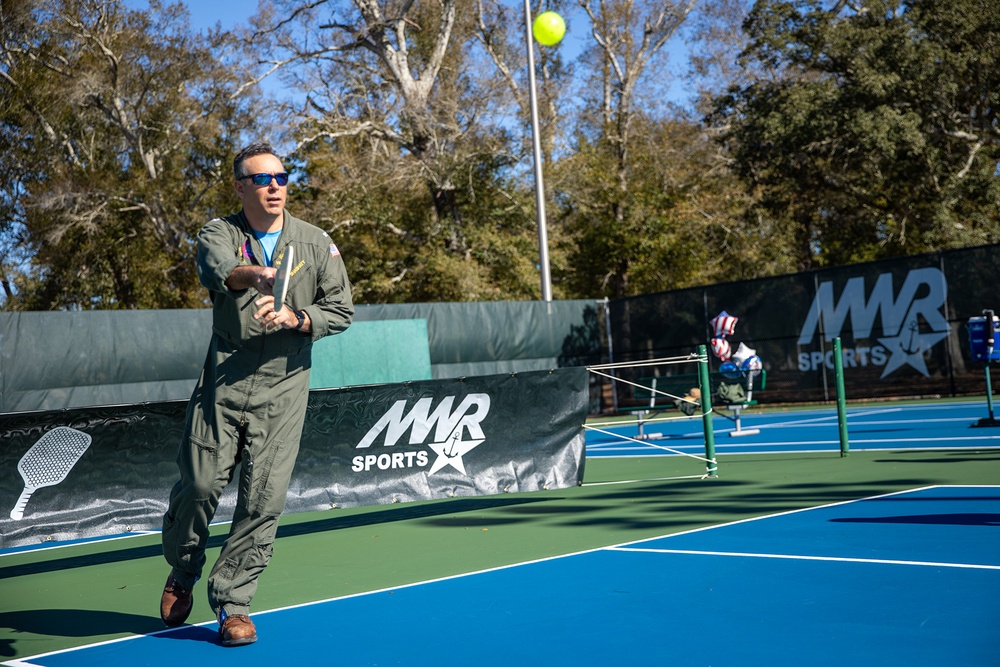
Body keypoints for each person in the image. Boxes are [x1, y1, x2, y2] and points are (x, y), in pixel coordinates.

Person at [158, 142, 353, 647]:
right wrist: (262, 275)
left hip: (285, 384)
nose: (275, 187)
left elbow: (341, 310)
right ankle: (182, 568)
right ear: (240, 186)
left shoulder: (315, 242)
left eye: (282, 178)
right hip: (225, 378)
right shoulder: (219, 233)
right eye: (263, 179)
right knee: (200, 486)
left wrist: (299, 317)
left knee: (264, 499)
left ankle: (233, 604)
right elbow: (223, 271)